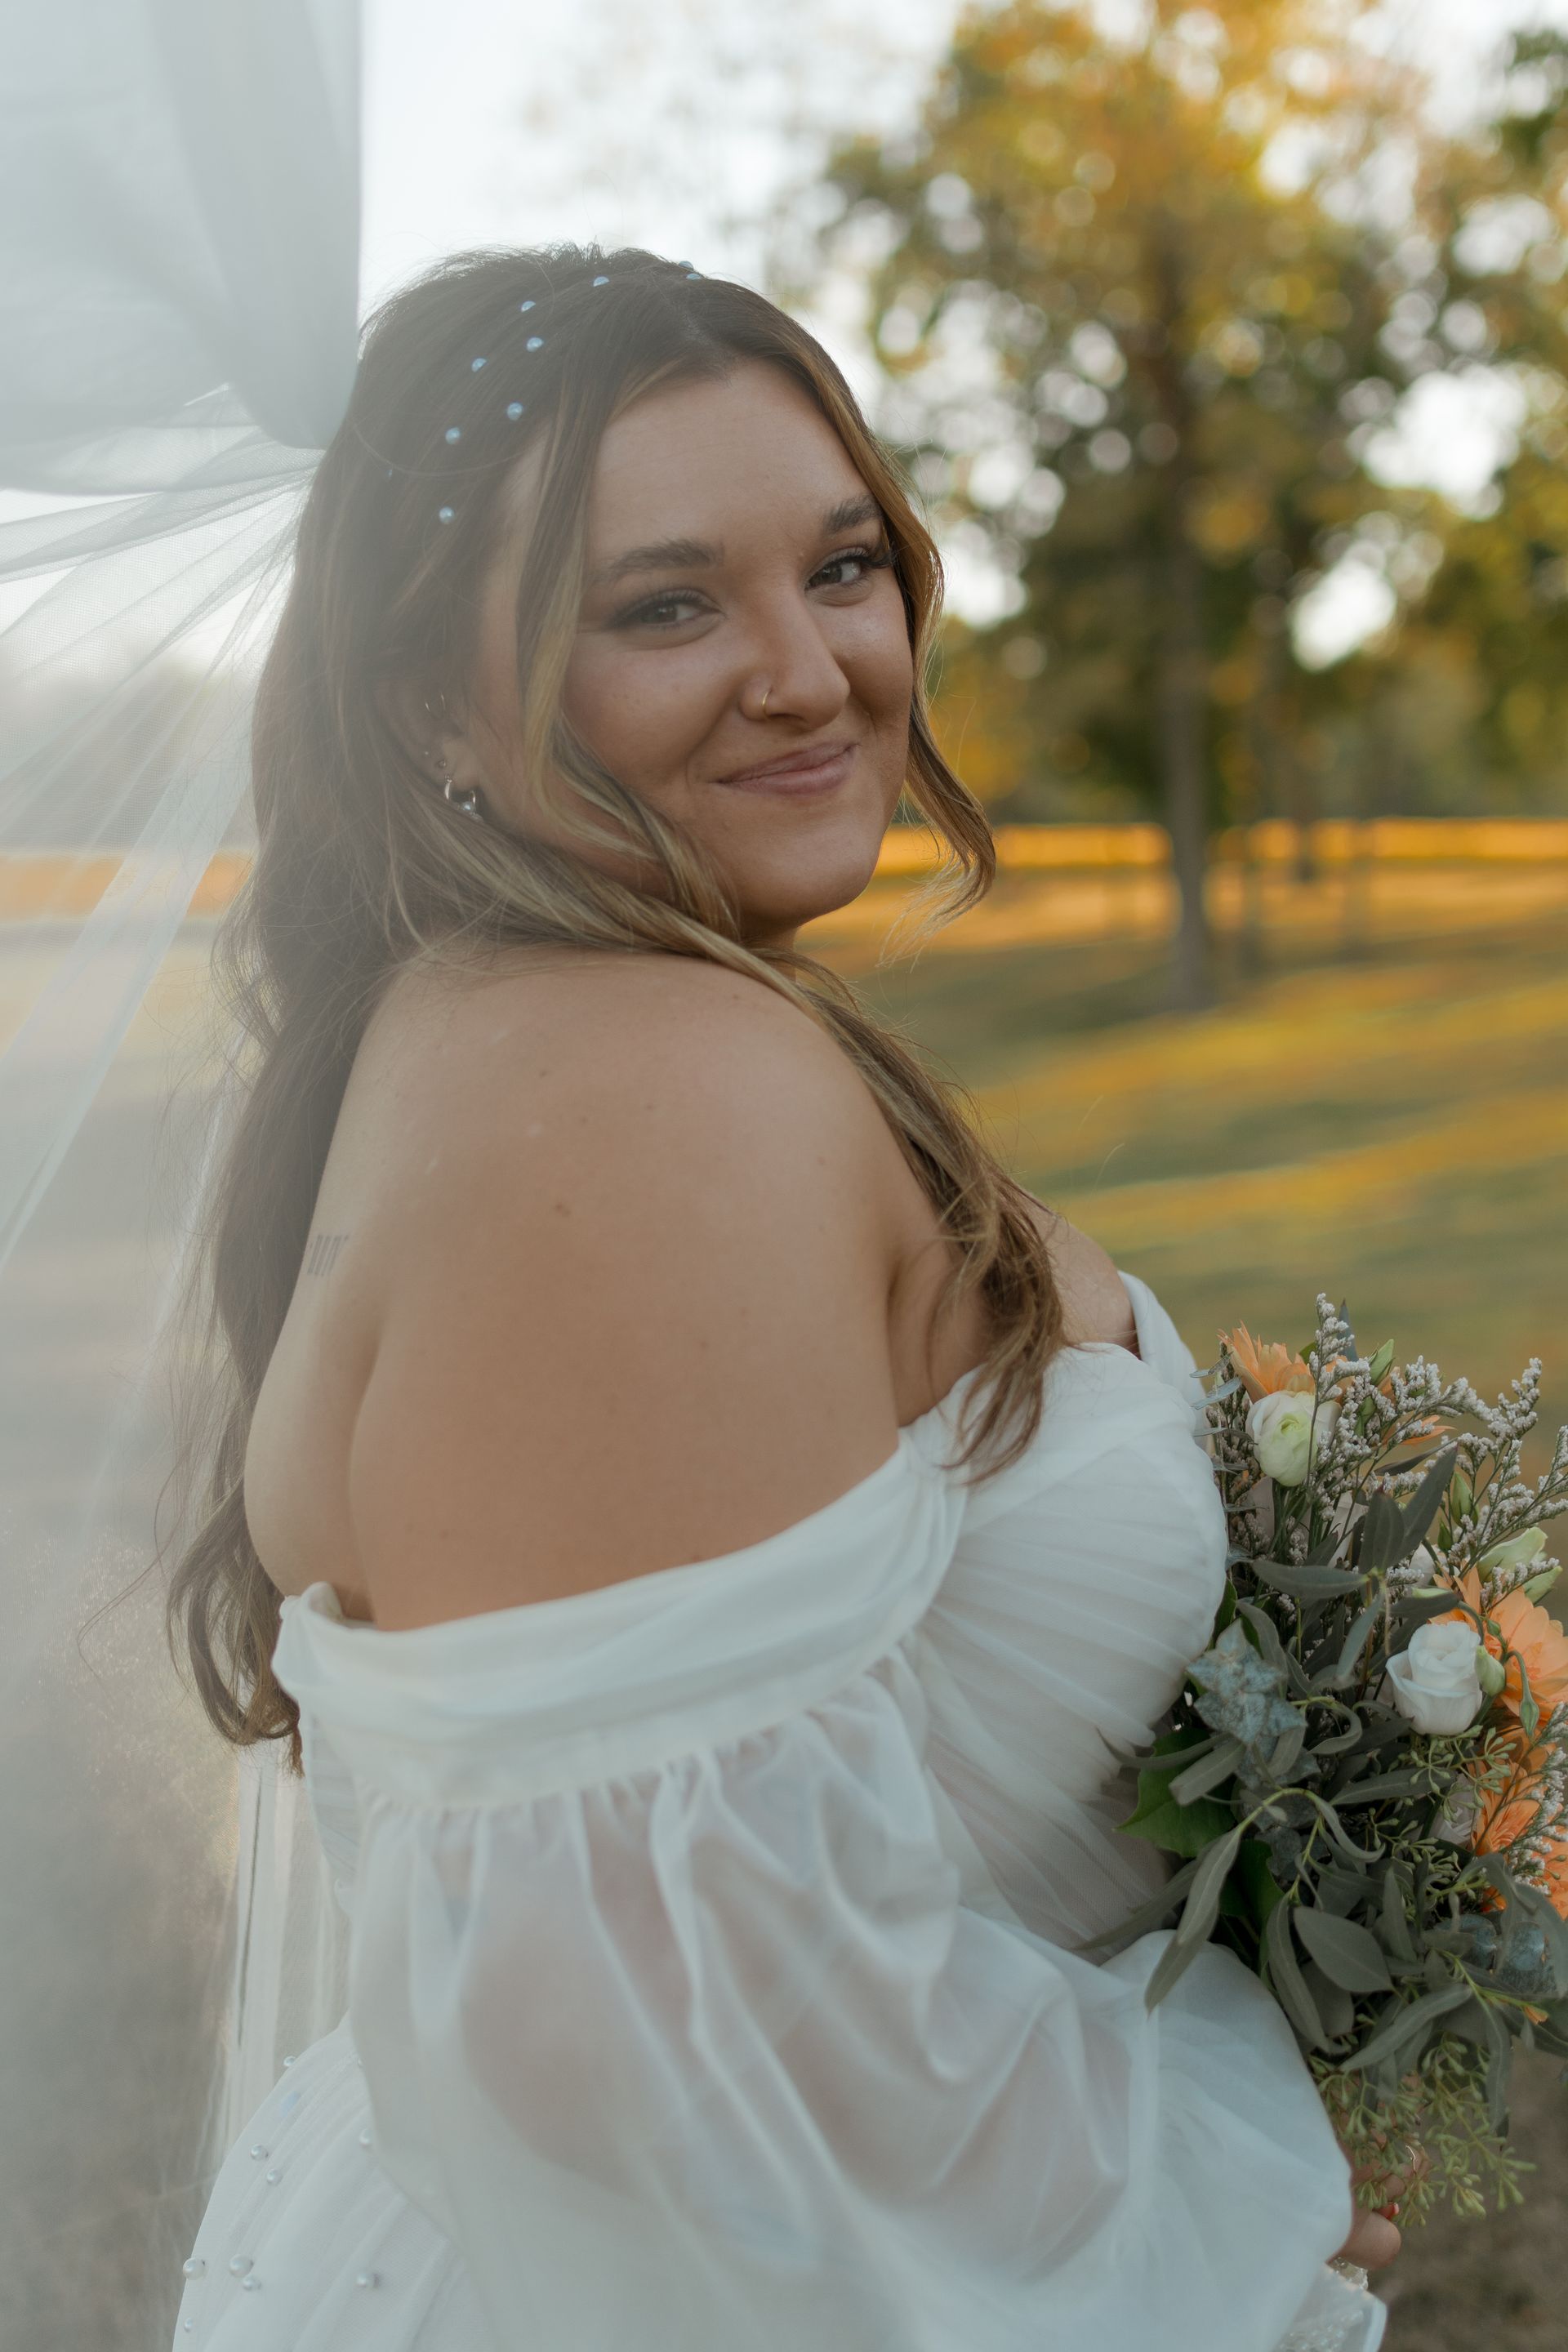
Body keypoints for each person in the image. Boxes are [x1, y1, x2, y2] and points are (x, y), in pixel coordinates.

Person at [164, 245, 1396, 2351]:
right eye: (663, 605)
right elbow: (619, 2022)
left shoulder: (560, 1022)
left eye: (843, 565)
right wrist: (1219, 2166)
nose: (811, 669)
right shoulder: (634, 1093)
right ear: (427, 705)